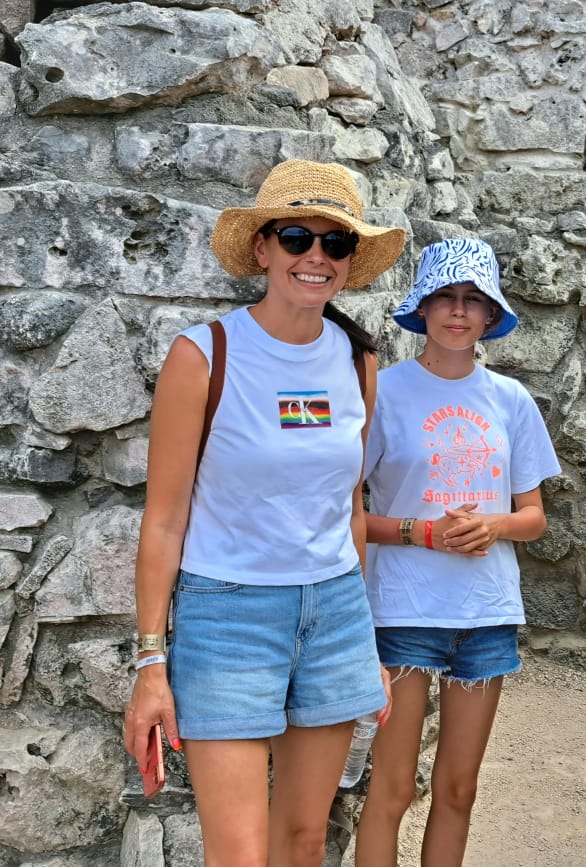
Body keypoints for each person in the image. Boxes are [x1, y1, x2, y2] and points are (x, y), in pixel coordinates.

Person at [123, 160, 405, 865]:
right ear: (263, 249)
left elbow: (349, 502)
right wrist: (151, 663)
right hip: (229, 616)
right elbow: (162, 520)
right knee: (241, 854)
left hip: (335, 612)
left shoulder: (357, 358)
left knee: (305, 840)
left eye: (335, 244)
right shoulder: (204, 355)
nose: (316, 256)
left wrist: (363, 641)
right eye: (296, 237)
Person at [355, 238, 562, 867]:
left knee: (459, 789)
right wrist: (423, 533)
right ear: (421, 307)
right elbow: (347, 513)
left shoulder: (511, 400)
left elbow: (534, 518)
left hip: (485, 611)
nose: (457, 310)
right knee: (389, 789)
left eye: (473, 299)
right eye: (444, 295)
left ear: (491, 315)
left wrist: (493, 528)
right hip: (403, 609)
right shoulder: (383, 393)